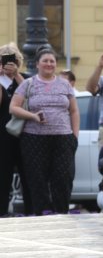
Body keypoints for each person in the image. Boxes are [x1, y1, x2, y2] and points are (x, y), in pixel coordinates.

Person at [9, 48, 79, 215]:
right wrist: (33, 116)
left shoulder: (65, 84)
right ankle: (43, 213)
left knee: (63, 178)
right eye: (45, 61)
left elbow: (74, 111)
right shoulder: (28, 83)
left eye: (52, 61)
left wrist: (74, 136)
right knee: (37, 179)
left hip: (63, 139)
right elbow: (13, 108)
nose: (49, 64)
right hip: (34, 139)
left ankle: (61, 212)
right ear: (37, 64)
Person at [0, 43, 29, 215]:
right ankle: (1, 212)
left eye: (13, 59)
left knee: (28, 175)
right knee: (3, 176)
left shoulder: (24, 79)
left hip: (25, 135)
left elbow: (33, 96)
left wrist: (16, 75)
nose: (9, 64)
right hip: (2, 136)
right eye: (4, 59)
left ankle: (32, 211)